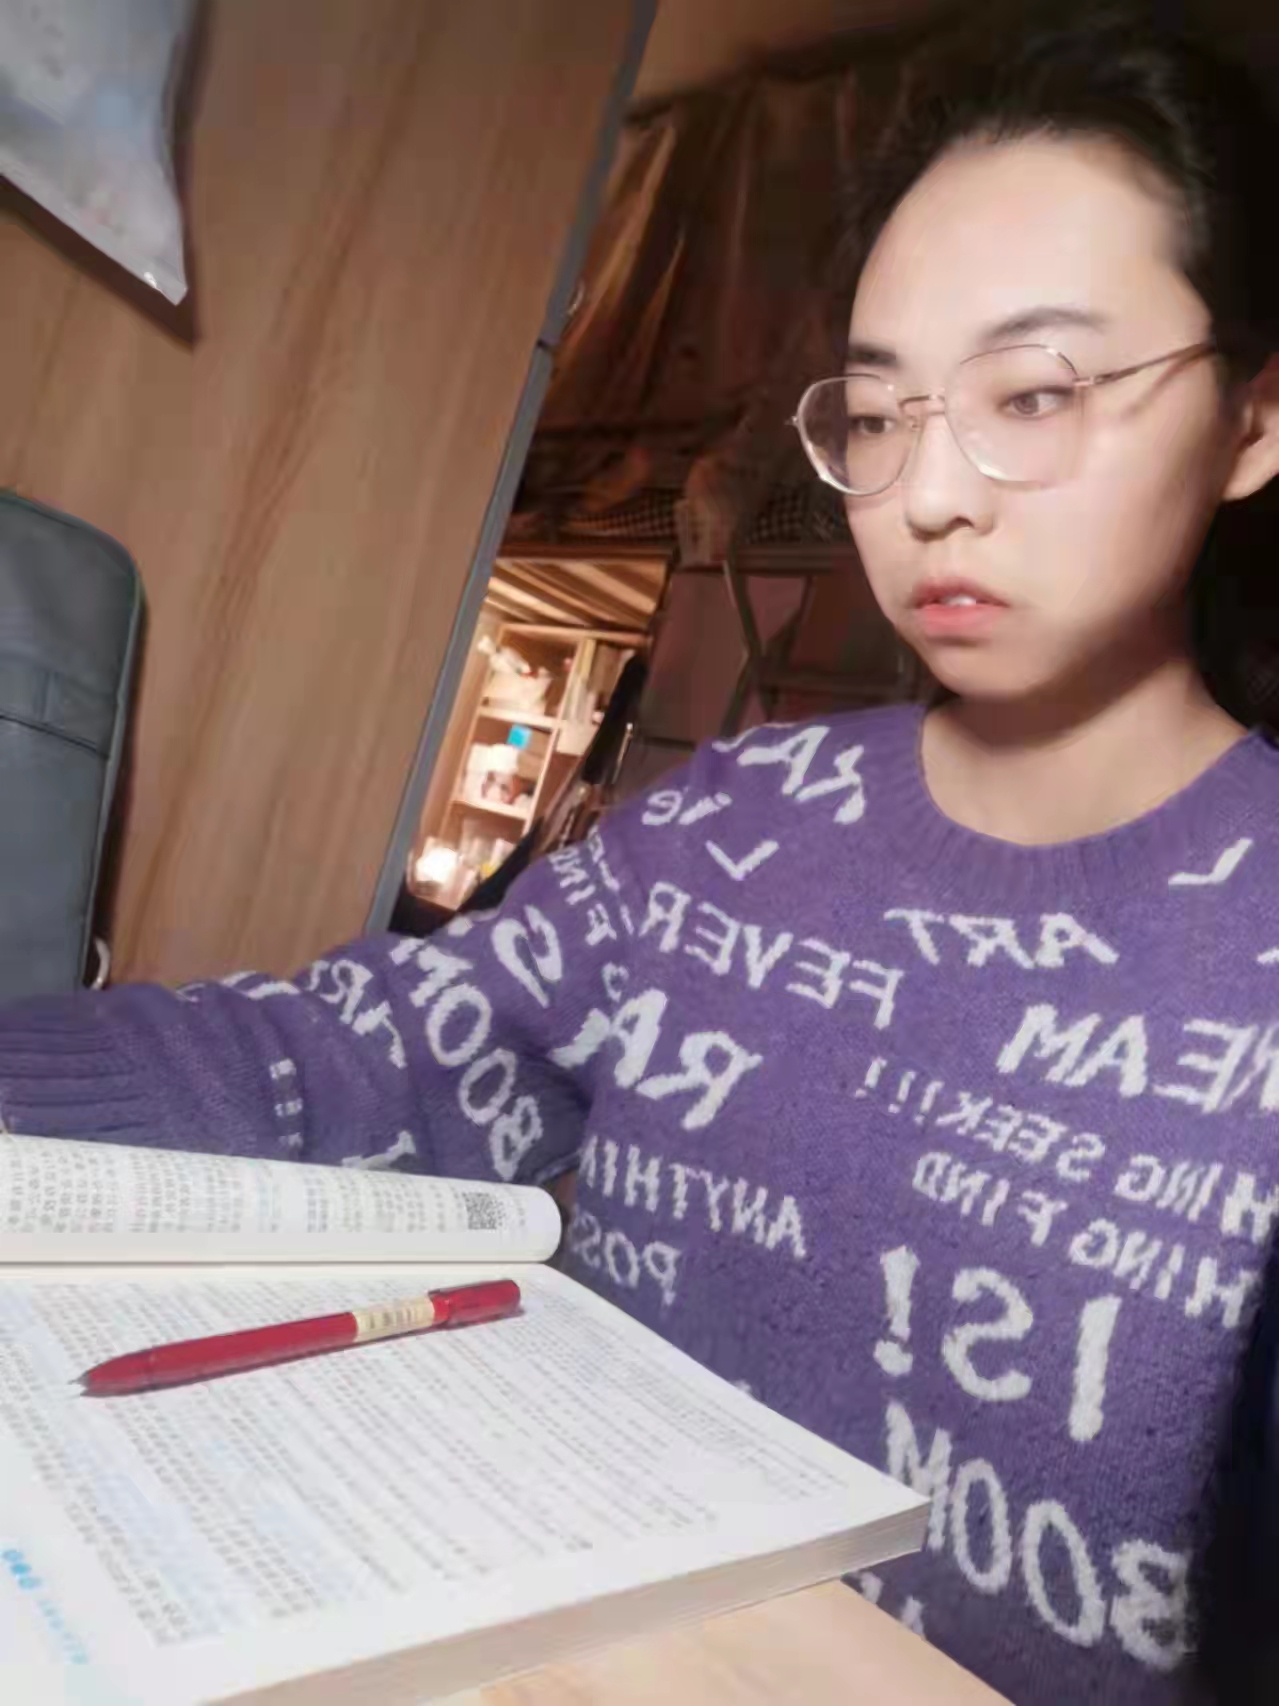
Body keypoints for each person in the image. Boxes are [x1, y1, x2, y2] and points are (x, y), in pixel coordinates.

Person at [3, 3, 1279, 1698]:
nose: (928, 495)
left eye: (1033, 393)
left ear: (1255, 418)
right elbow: (357, 1056)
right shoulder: (733, 830)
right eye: (878, 413)